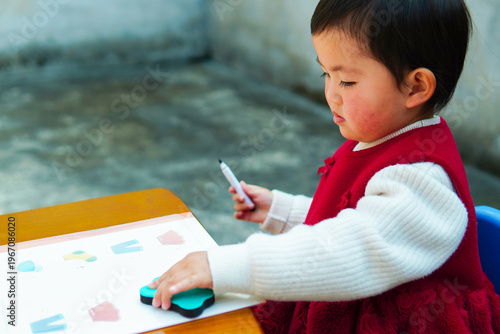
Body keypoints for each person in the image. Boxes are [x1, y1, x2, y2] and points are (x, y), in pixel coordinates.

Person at [149, 0, 500, 332]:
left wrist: (224, 266)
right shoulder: (379, 136)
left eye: (346, 80)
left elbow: (347, 253)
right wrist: (282, 210)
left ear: (415, 86)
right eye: (325, 75)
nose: (332, 93)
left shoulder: (422, 181)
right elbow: (354, 219)